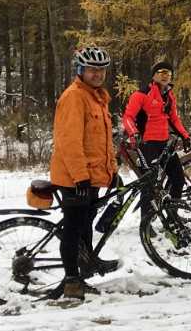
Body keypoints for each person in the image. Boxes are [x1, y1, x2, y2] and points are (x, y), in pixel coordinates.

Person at [47, 46, 120, 302]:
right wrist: (79, 177)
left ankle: (86, 265)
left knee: (84, 225)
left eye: (101, 70)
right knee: (73, 228)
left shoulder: (97, 98)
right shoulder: (74, 97)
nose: (97, 74)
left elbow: (101, 142)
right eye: (91, 70)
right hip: (74, 177)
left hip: (91, 176)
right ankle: (71, 282)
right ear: (81, 70)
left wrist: (112, 171)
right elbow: (69, 142)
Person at [122, 61, 191, 211]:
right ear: (154, 76)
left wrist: (185, 136)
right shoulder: (142, 94)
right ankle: (146, 221)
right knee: (150, 185)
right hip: (147, 144)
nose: (165, 76)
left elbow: (174, 119)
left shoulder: (169, 96)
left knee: (178, 179)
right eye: (162, 72)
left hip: (164, 143)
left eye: (169, 73)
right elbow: (127, 117)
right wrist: (134, 133)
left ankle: (172, 215)